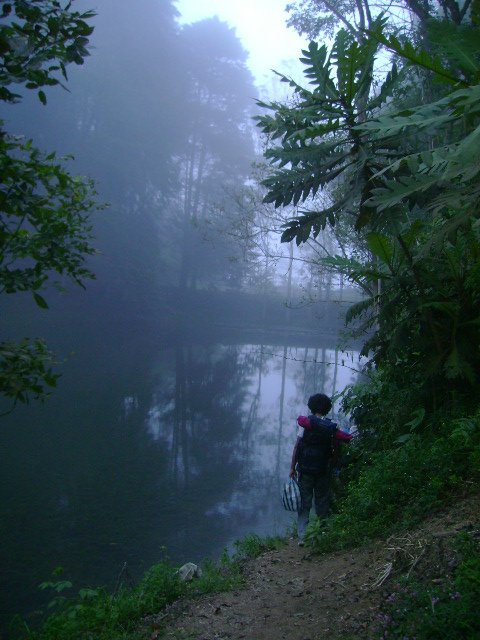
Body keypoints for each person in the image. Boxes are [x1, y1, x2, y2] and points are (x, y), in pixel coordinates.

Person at [289, 393, 348, 546]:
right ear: (328, 408)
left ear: (311, 406)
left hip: (305, 470)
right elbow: (336, 449)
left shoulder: (306, 423)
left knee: (304, 503)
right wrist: (334, 466)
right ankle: (322, 534)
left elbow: (297, 446)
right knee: (322, 502)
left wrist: (292, 468)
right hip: (323, 471)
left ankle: (302, 537)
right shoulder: (331, 426)